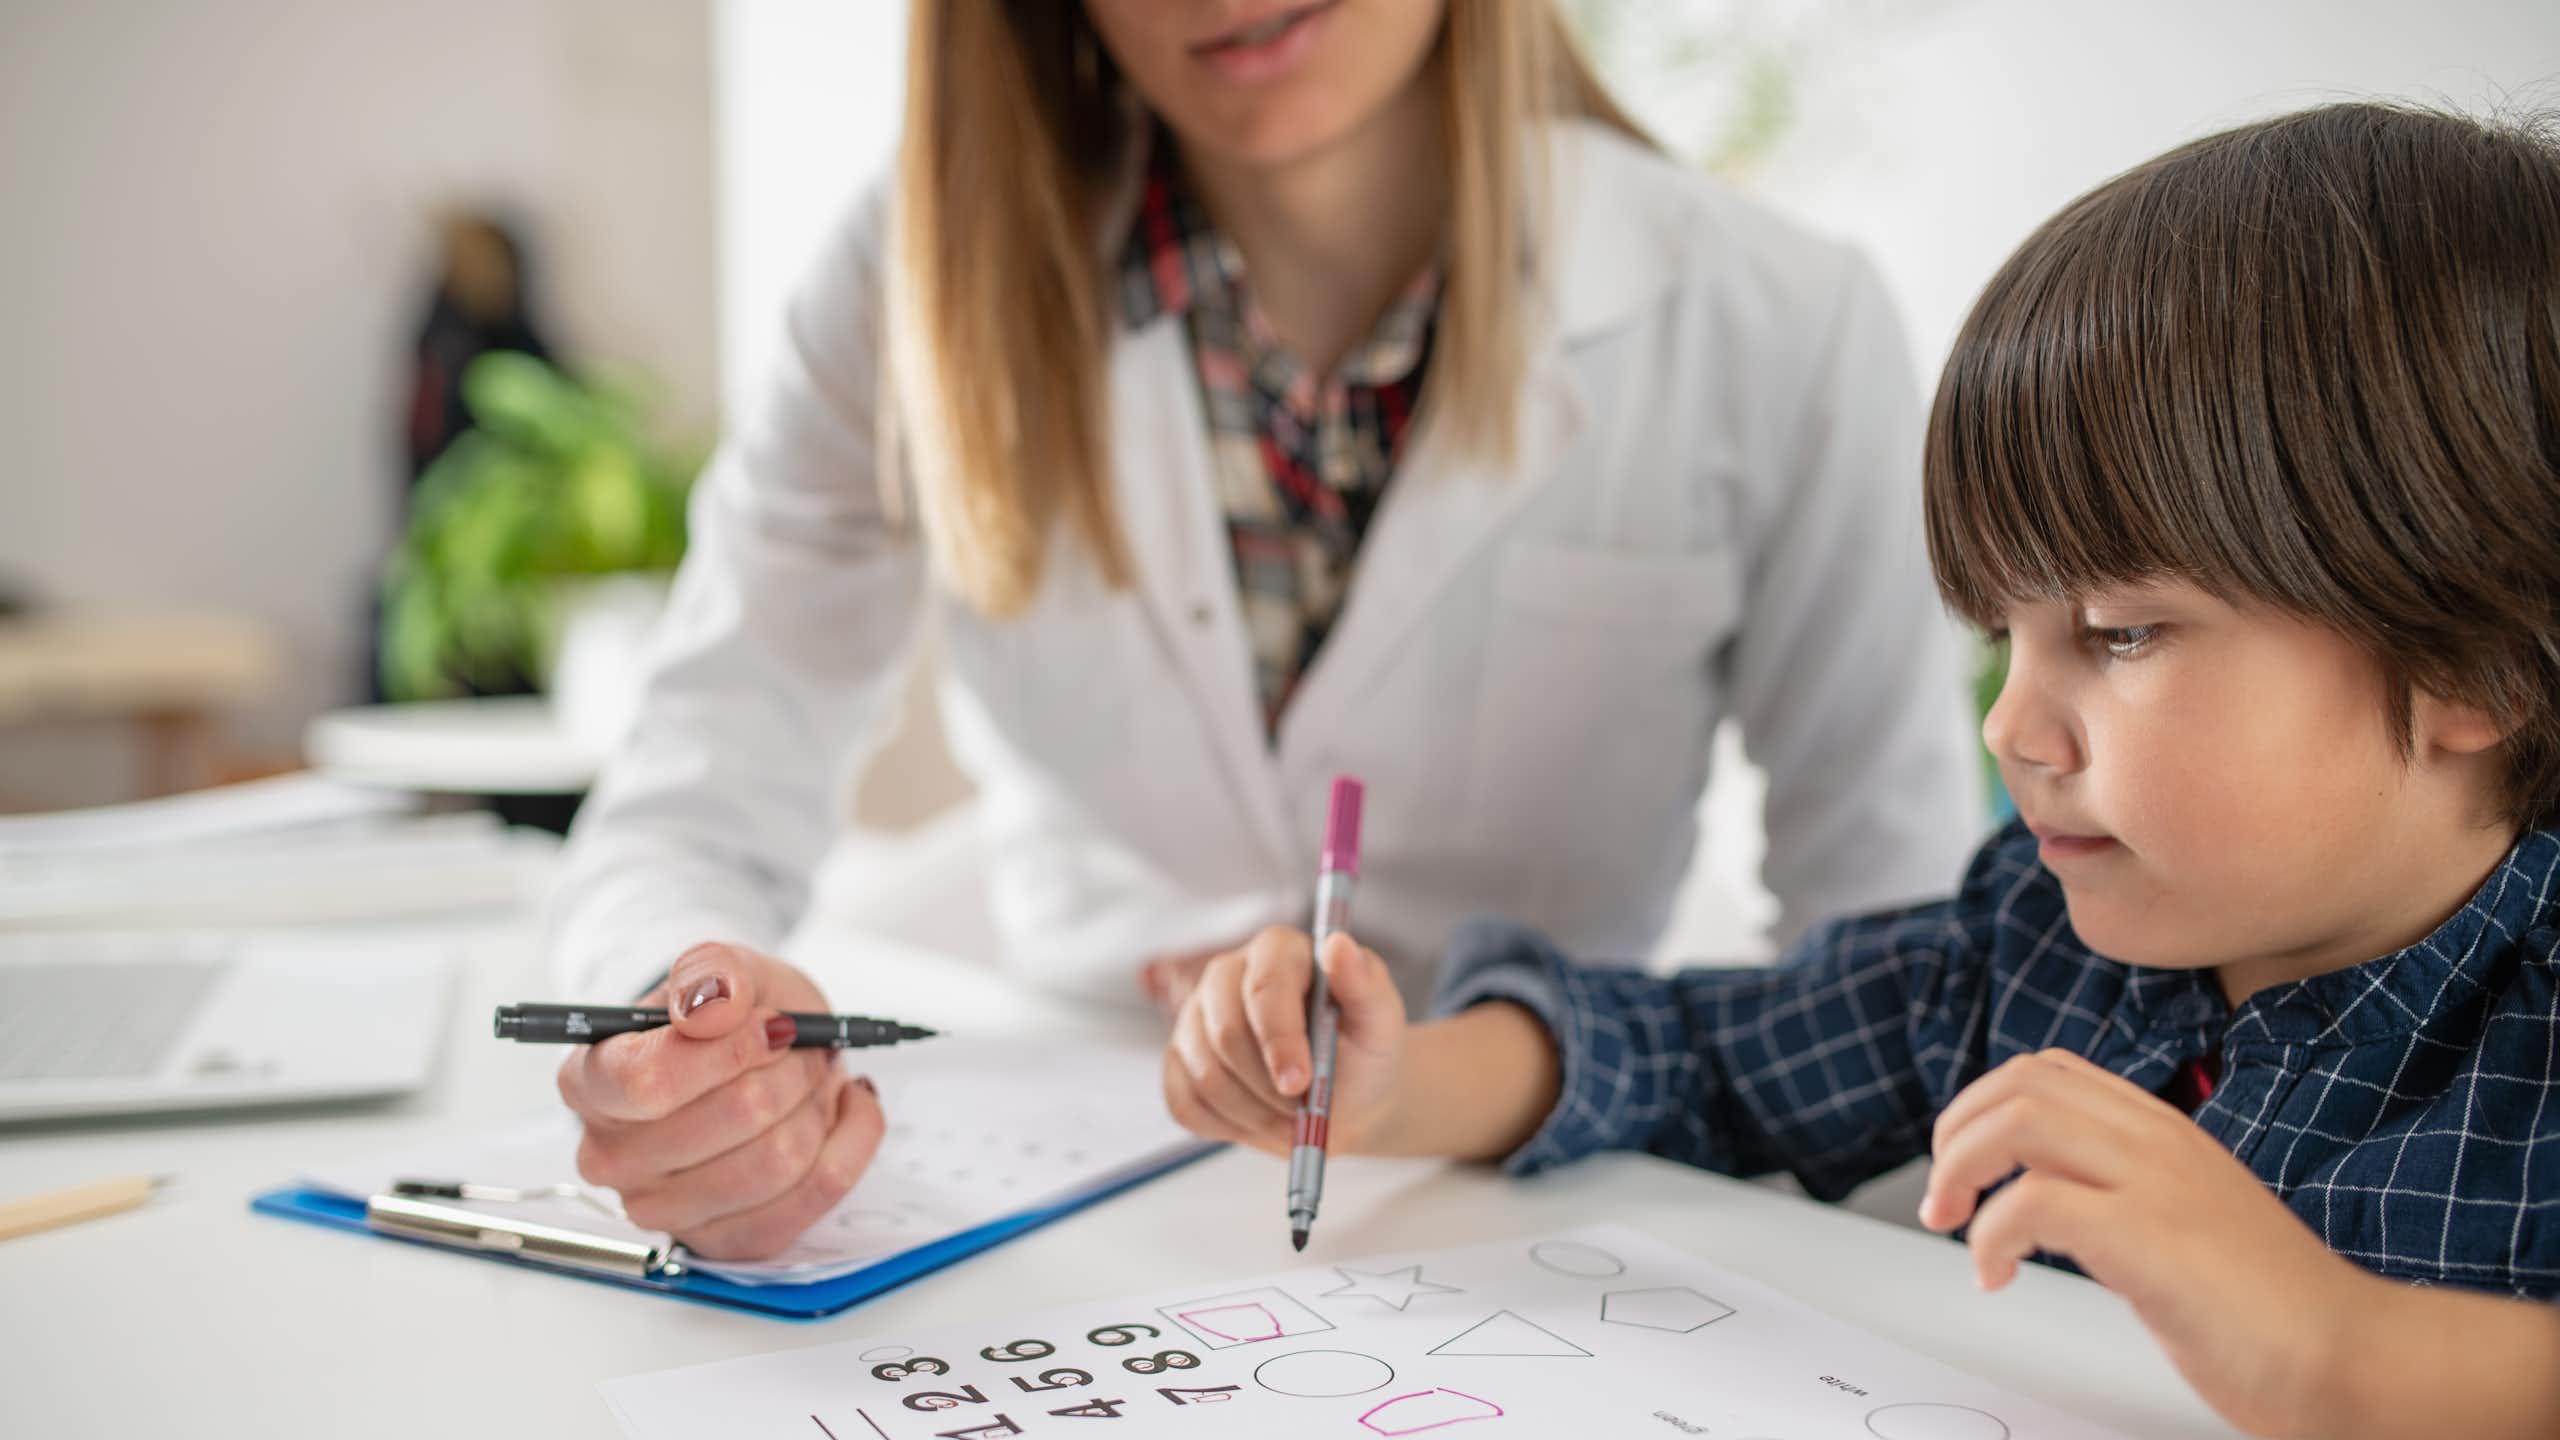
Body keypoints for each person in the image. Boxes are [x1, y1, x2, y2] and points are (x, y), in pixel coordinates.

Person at [1162, 102, 2560, 1439]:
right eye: (2003, 636)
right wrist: (1397, 1085)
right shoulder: (2025, 943)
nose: (2011, 727)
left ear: (2476, 672)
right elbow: (1691, 1056)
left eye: (2122, 634)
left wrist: (2327, 1346)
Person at [548, 0, 1983, 1262]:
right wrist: (685, 1049)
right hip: (1046, 1215)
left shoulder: (1778, 321)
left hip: (1545, 1212)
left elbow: (1899, 960)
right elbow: (693, 790)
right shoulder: (911, 275)